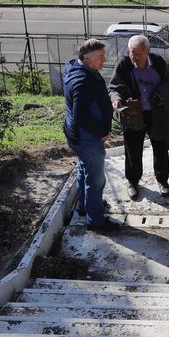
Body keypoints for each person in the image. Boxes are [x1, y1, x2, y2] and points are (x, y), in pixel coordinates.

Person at [62, 39, 118, 232]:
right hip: (88, 139)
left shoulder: (79, 69)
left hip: (78, 136)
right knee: (96, 179)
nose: (104, 60)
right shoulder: (82, 81)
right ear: (86, 58)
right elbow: (81, 116)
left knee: (84, 169)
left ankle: (85, 206)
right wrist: (102, 132)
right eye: (101, 56)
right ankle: (96, 220)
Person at [109, 35, 169, 199]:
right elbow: (114, 86)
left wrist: (163, 94)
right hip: (134, 113)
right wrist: (116, 99)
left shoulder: (158, 62)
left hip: (156, 112)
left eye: (139, 53)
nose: (135, 57)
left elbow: (168, 81)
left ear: (148, 52)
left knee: (160, 147)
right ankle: (132, 181)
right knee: (132, 148)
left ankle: (163, 180)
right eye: (132, 52)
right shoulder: (124, 64)